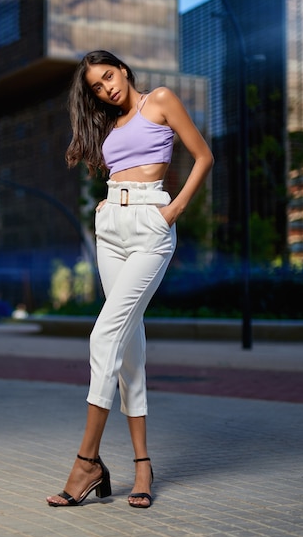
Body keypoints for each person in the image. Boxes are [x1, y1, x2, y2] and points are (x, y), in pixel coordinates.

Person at [46, 50, 214, 509]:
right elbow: (114, 173)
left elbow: (203, 156)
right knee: (127, 346)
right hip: (111, 229)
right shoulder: (108, 126)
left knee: (104, 336)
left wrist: (173, 210)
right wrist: (107, 205)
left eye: (108, 77)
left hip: (151, 226)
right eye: (97, 87)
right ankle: (143, 465)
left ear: (123, 69)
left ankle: (87, 461)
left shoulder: (158, 101)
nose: (107, 89)